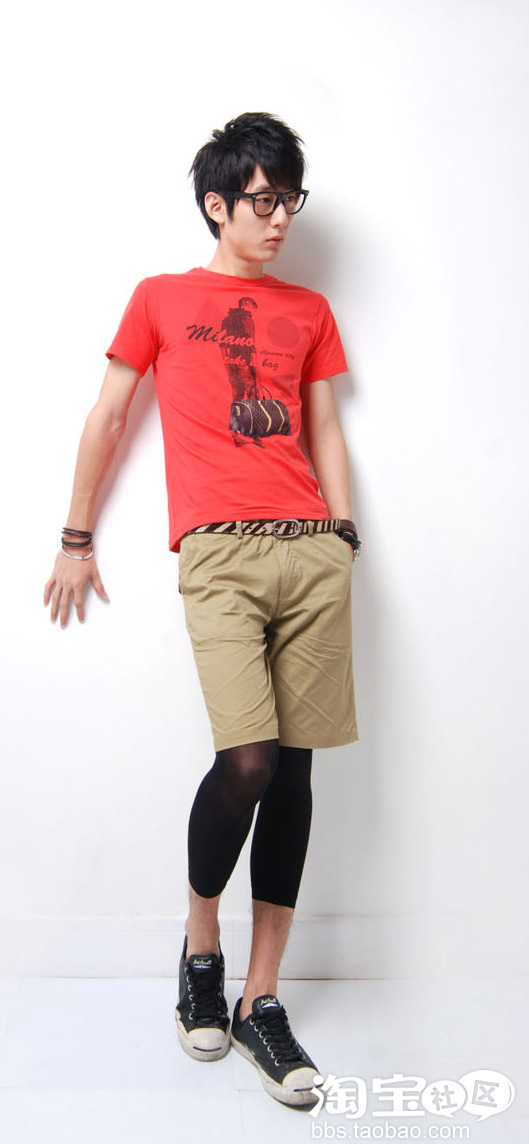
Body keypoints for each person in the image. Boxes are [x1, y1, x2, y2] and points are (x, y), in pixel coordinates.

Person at [43, 111, 361, 1110]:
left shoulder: (309, 309)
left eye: (289, 200)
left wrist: (343, 534)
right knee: (248, 760)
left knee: (295, 770)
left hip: (310, 548)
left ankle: (262, 999)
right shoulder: (161, 297)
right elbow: (109, 413)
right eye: (262, 201)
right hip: (219, 553)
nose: (279, 219)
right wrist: (76, 536)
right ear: (217, 204)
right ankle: (200, 945)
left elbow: (323, 428)